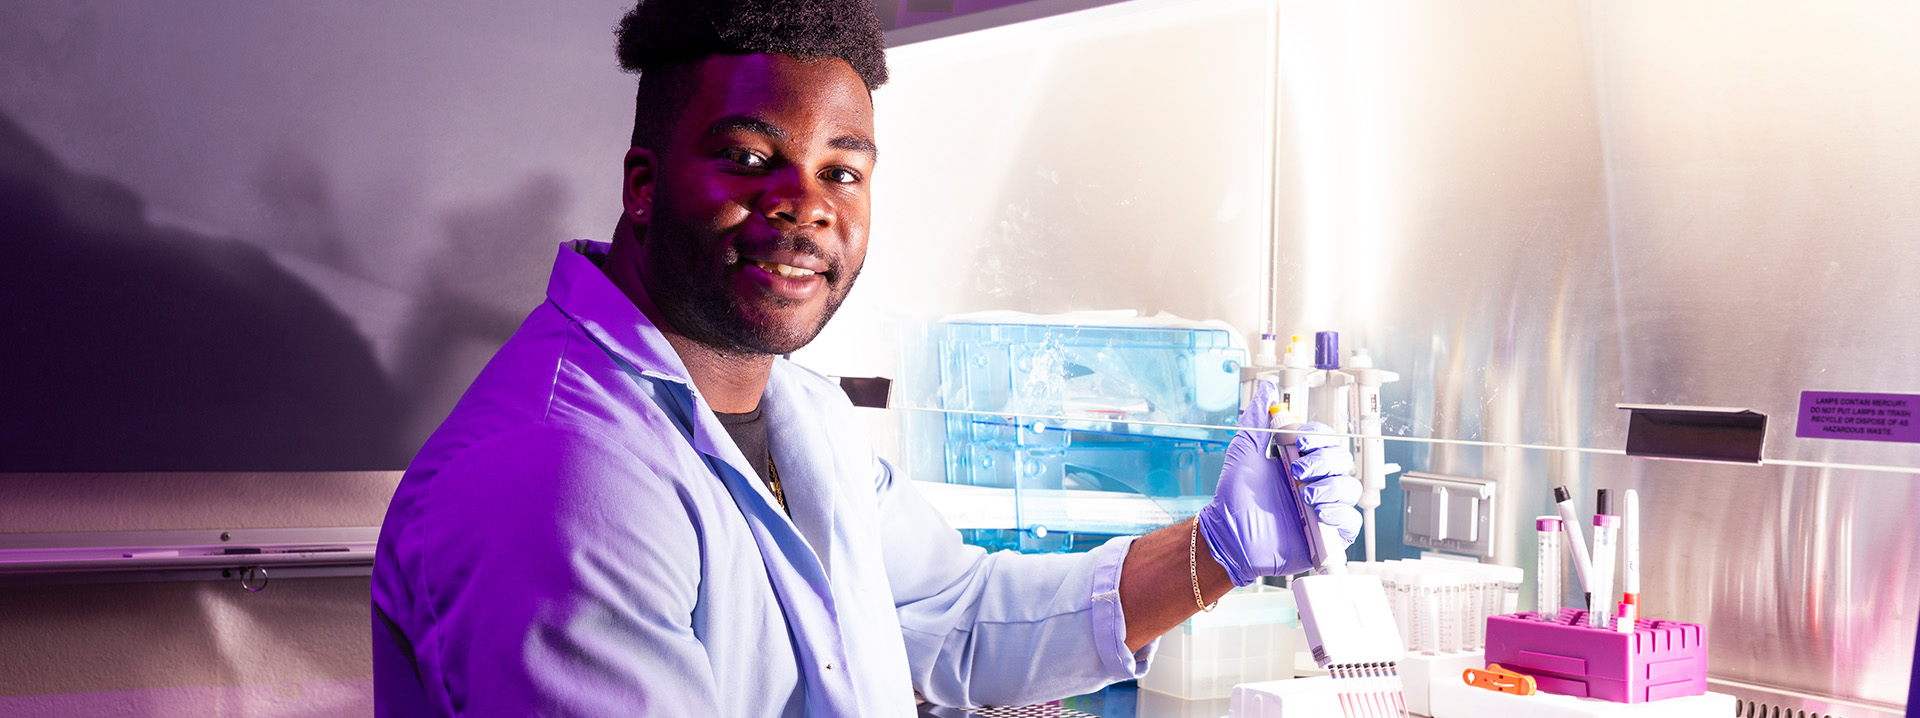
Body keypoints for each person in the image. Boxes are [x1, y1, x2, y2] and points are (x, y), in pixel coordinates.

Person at [370, 1, 1362, 715]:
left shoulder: (802, 417)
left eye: (840, 170)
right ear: (643, 184)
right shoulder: (562, 475)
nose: (804, 204)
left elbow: (953, 613)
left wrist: (1214, 554)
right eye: (752, 158)